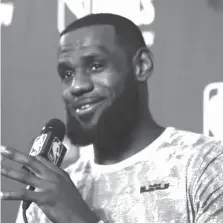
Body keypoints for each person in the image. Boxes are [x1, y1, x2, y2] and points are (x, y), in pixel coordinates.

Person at [1, 13, 223, 223]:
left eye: (96, 66)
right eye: (67, 74)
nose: (76, 86)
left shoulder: (206, 164)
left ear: (141, 65)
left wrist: (77, 218)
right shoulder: (48, 192)